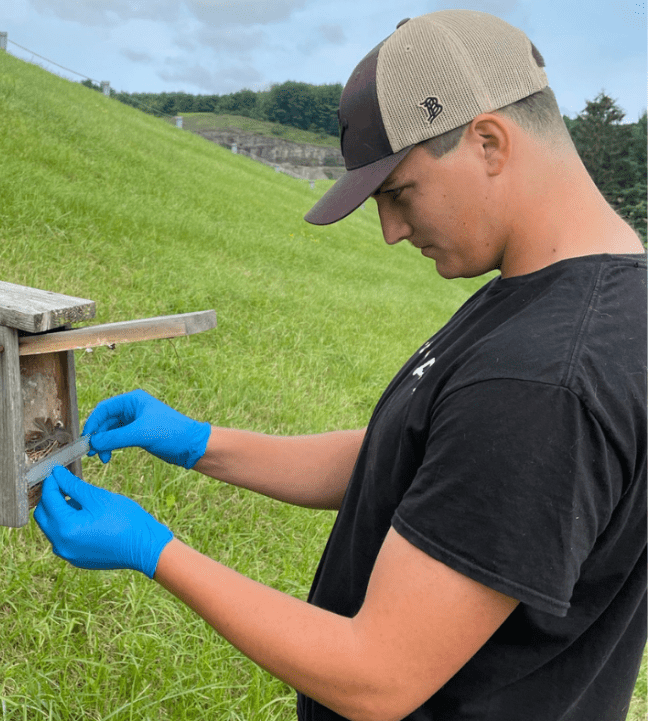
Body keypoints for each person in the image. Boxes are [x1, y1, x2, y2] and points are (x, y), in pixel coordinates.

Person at [34, 10, 647, 721]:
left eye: (398, 192)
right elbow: (429, 469)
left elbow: (376, 674)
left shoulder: (544, 380)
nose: (390, 230)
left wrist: (155, 550)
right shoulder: (562, 300)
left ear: (487, 141)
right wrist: (202, 442)